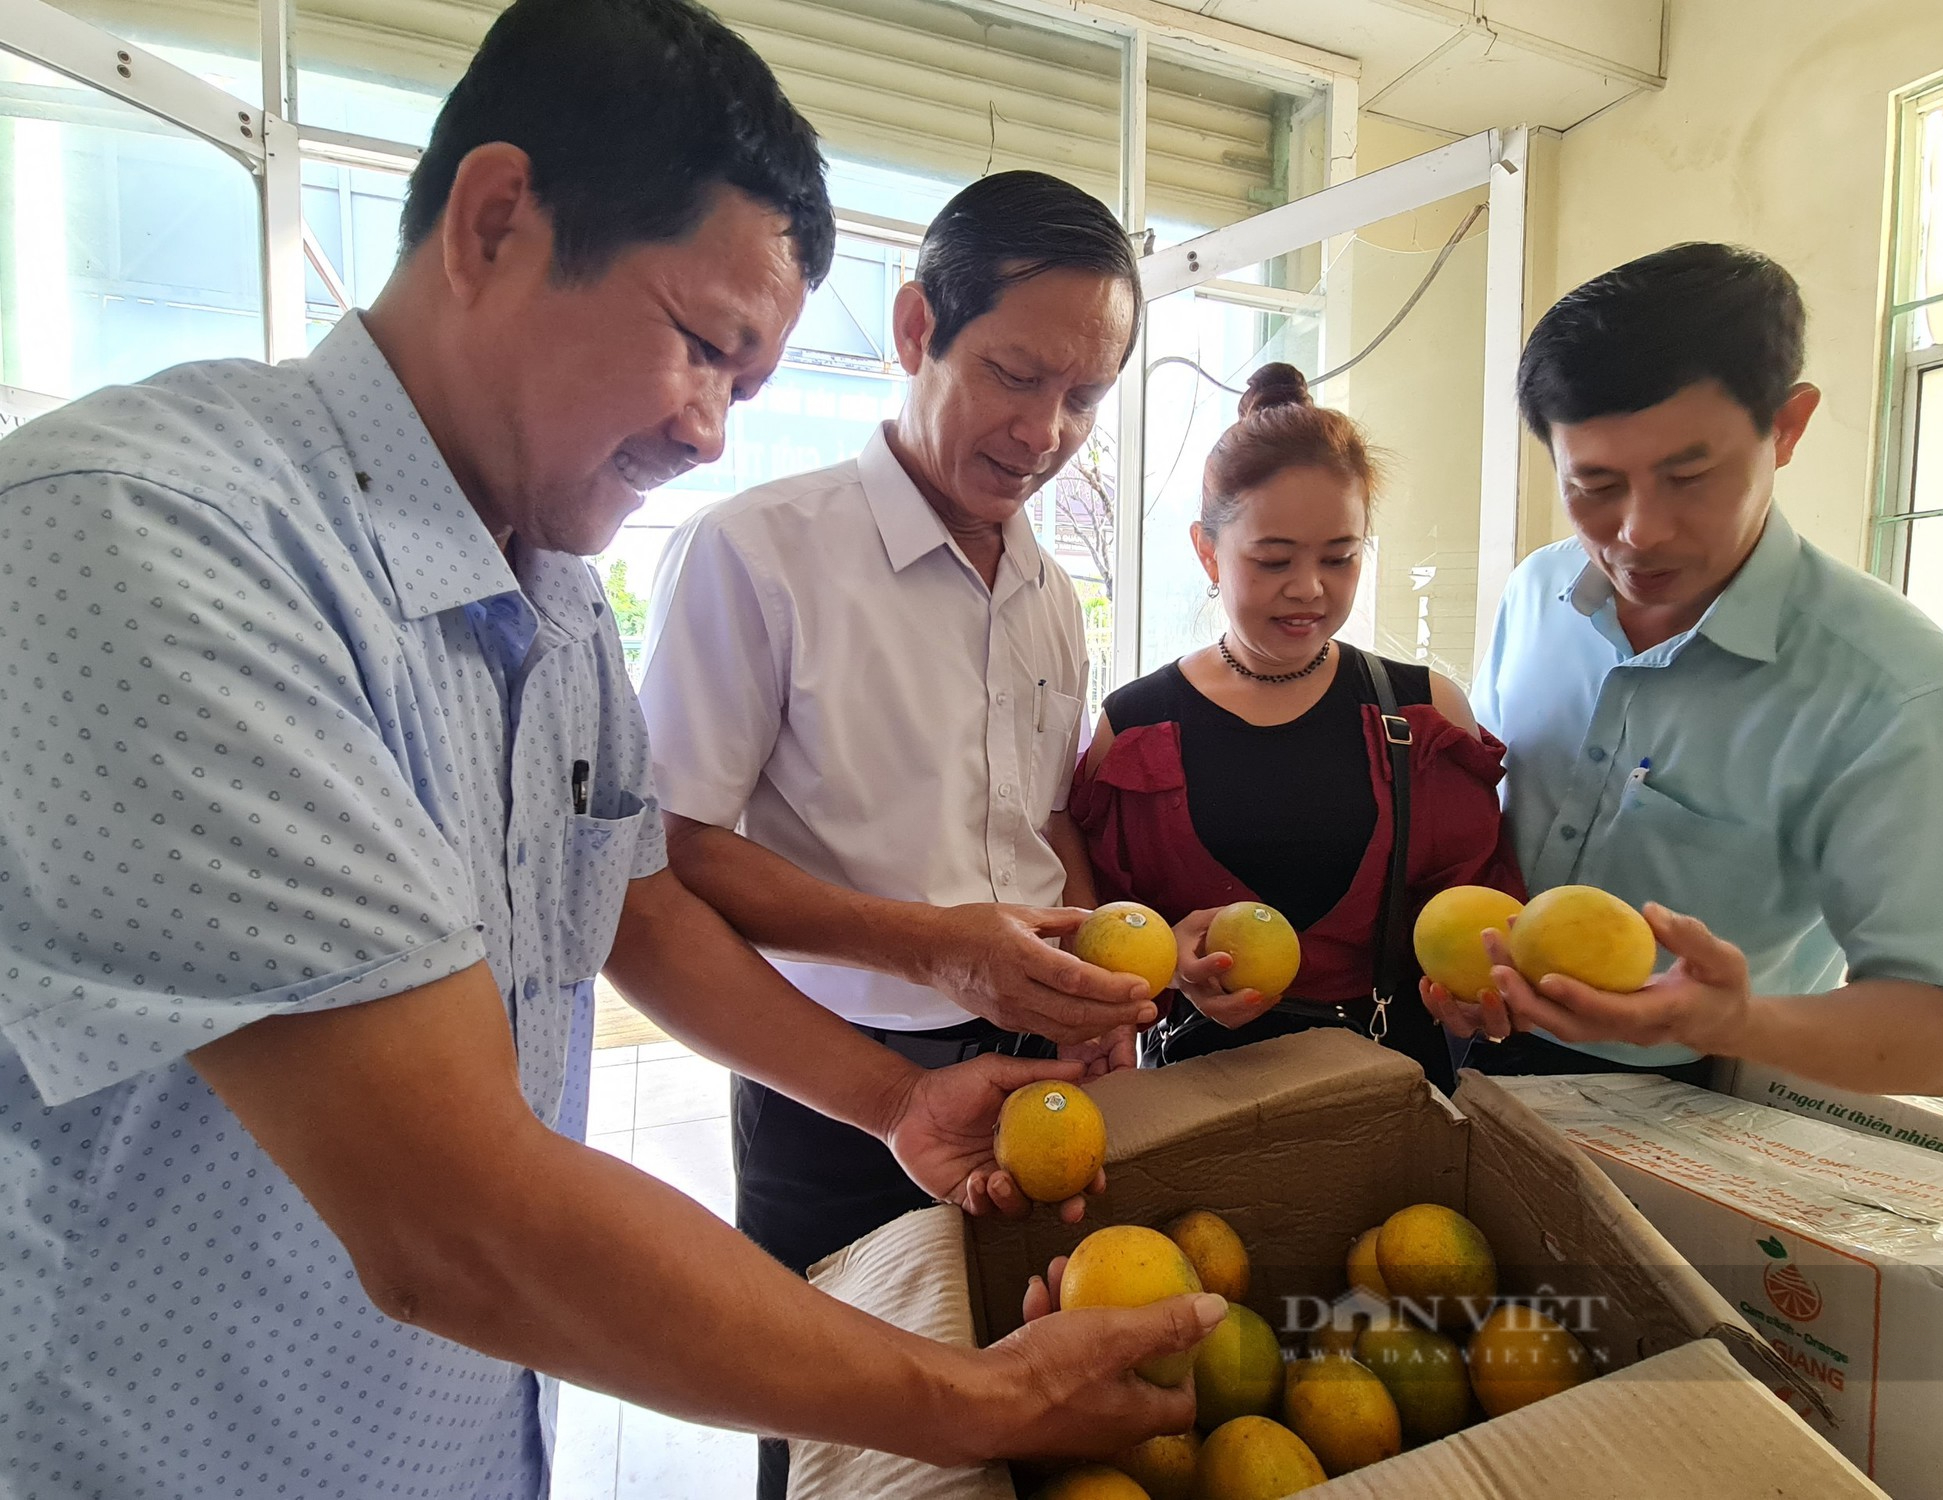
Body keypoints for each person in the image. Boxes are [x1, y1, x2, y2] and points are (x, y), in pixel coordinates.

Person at [0, 5, 1224, 1496]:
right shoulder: (159, 542)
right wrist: (972, 1403)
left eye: (751, 383)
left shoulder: (558, 602)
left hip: (461, 1436)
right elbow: (461, 1223)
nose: (712, 432)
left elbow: (632, 902)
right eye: (703, 347)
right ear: (498, 219)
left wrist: (895, 1100)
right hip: (189, 1448)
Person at [637, 166, 1161, 1497]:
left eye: (1085, 396)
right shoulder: (756, 554)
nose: (1046, 430)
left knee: (1015, 1410)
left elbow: (1038, 821)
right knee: (838, 1437)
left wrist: (1090, 984)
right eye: (1015, 373)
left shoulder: (1051, 588)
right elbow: (676, 849)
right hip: (829, 1077)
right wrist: (932, 951)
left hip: (1033, 1069)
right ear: (918, 329)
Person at [1423, 242, 1943, 1096]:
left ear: (1789, 427)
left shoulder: (1903, 696)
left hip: (1692, 1103)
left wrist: (1728, 1020)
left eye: (1689, 475)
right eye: (1595, 484)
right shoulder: (1538, 591)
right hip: (1468, 1061)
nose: (1640, 531)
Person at [1067, 364, 1524, 1091]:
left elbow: (1475, 908)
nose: (1310, 588)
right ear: (1208, 551)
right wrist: (1170, 967)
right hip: (1196, 1097)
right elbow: (1101, 925)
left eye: (1340, 558)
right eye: (1274, 560)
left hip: (1391, 1090)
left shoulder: (1422, 712)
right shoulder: (1138, 725)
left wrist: (1480, 990)